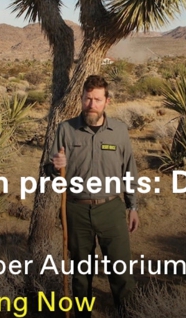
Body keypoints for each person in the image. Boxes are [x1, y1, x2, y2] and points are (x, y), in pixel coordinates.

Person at [48, 74, 139, 318]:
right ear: (81, 99)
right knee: (80, 273)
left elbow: (129, 169)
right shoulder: (66, 129)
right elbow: (49, 171)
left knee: (120, 271)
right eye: (88, 99)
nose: (92, 104)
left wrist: (133, 207)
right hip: (76, 209)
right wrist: (55, 166)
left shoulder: (119, 131)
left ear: (107, 101)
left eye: (97, 99)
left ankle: (126, 313)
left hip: (111, 209)